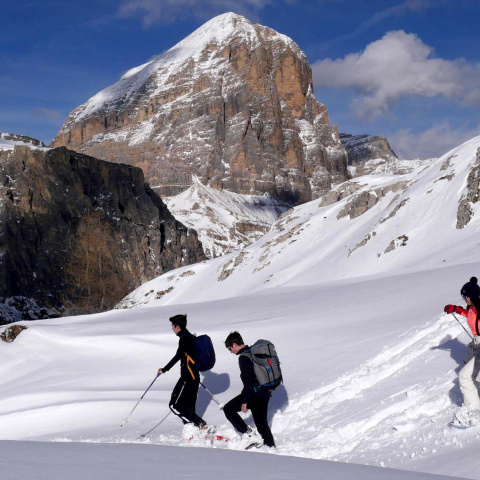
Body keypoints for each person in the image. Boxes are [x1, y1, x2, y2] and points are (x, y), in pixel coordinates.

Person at [223, 331, 275, 448]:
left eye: (230, 348)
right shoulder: (253, 352)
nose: (231, 352)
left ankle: (248, 435)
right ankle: (271, 448)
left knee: (228, 409)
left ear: (235, 345)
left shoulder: (244, 358)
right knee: (262, 424)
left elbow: (249, 382)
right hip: (265, 393)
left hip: (254, 395)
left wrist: (244, 401)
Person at [158, 314, 210, 430]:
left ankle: (200, 424)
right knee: (188, 407)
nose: (172, 328)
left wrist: (165, 369)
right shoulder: (191, 337)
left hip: (188, 377)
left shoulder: (185, 339)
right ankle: (194, 430)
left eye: (172, 326)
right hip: (193, 377)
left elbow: (178, 356)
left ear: (177, 327)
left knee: (174, 405)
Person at [444, 276, 480, 427]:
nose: (464, 299)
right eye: (462, 296)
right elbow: (468, 314)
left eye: (465, 296)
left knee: (465, 377)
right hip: (477, 344)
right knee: (469, 376)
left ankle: (473, 412)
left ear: (472, 296)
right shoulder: (473, 308)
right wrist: (455, 308)